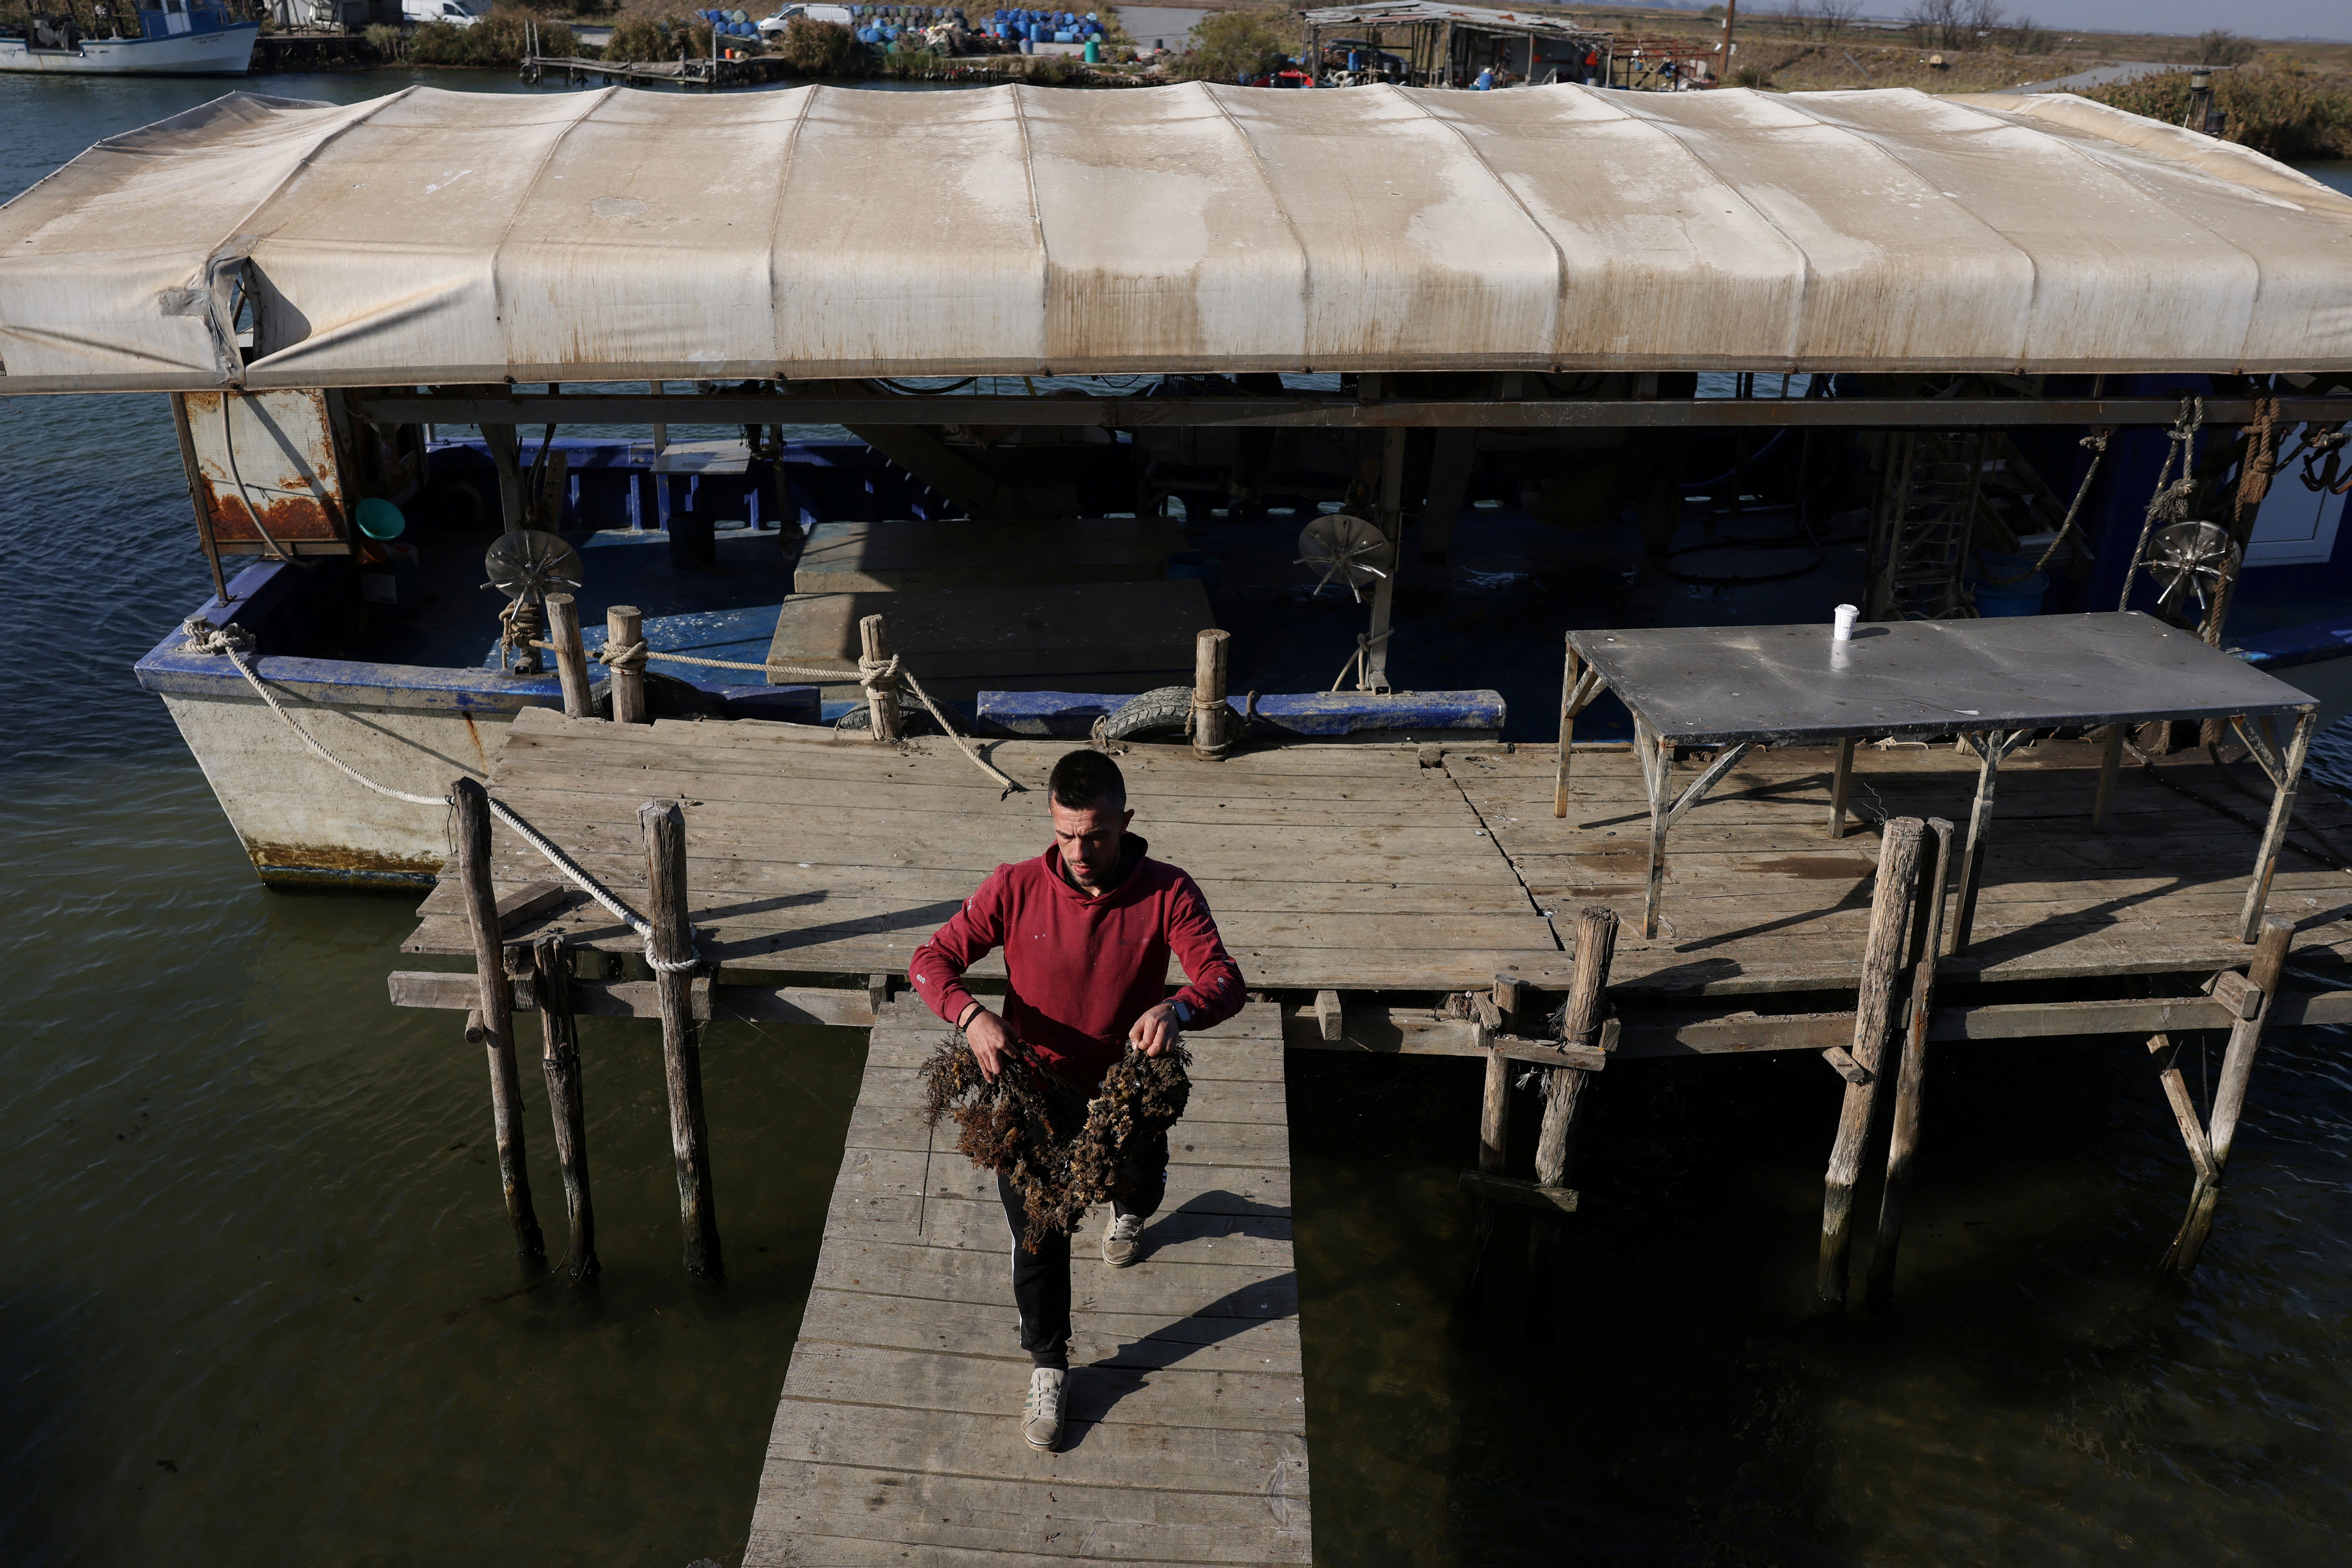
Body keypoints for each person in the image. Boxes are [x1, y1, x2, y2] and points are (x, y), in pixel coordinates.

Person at [908, 748, 1245, 1452]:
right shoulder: (1014, 887)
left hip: (1128, 1090)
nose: (1079, 851)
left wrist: (1178, 1011)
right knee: (1039, 1230)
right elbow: (929, 962)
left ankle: (1131, 1212)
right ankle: (1050, 1364)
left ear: (1125, 821)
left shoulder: (1168, 892)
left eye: (1094, 834)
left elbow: (1223, 977)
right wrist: (972, 1017)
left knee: (1141, 1184)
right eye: (1065, 834)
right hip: (1034, 1094)